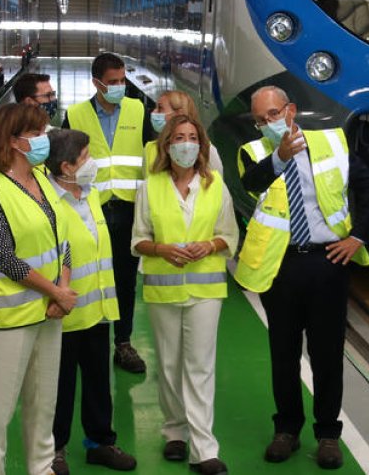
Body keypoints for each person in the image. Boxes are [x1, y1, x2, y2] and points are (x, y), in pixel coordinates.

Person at [237, 86, 369, 470]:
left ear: (291, 110)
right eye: (259, 118)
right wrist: (279, 158)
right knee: (283, 353)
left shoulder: (332, 142)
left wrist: (358, 237)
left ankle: (328, 435)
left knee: (327, 355)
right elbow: (250, 183)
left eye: (272, 114)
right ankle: (286, 429)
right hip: (280, 266)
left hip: (326, 262)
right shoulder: (254, 152)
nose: (267, 123)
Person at [0, 103, 78, 475]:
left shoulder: (43, 183)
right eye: (35, 133)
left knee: (42, 401)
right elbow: (6, 257)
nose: (44, 139)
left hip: (50, 311)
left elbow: (62, 240)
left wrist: (61, 293)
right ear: (13, 141)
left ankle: (41, 467)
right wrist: (56, 292)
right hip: (11, 316)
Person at [133, 115, 239, 475]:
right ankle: (174, 431)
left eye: (193, 137)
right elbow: (138, 239)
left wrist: (208, 244)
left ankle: (204, 449)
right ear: (167, 145)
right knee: (168, 363)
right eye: (179, 137)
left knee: (199, 366)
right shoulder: (150, 186)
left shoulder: (216, 185)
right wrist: (161, 249)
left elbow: (230, 235)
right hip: (163, 288)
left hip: (206, 289)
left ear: (201, 145)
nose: (186, 143)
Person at [43, 129, 136, 474]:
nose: (92, 163)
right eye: (85, 157)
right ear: (66, 167)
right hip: (64, 312)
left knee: (99, 381)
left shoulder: (90, 194)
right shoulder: (49, 204)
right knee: (60, 385)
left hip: (96, 308)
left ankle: (100, 442)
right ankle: (55, 449)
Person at [63, 53, 156, 374]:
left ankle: (124, 342)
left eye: (122, 81)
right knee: (90, 278)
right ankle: (90, 338)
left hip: (129, 210)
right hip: (90, 212)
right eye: (112, 82)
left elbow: (152, 152)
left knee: (125, 280)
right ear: (97, 82)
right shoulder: (74, 115)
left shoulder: (137, 109)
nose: (119, 87)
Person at [146, 90, 223, 175]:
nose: (154, 112)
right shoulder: (150, 149)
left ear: (178, 114)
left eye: (160, 108)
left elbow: (217, 182)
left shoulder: (206, 150)